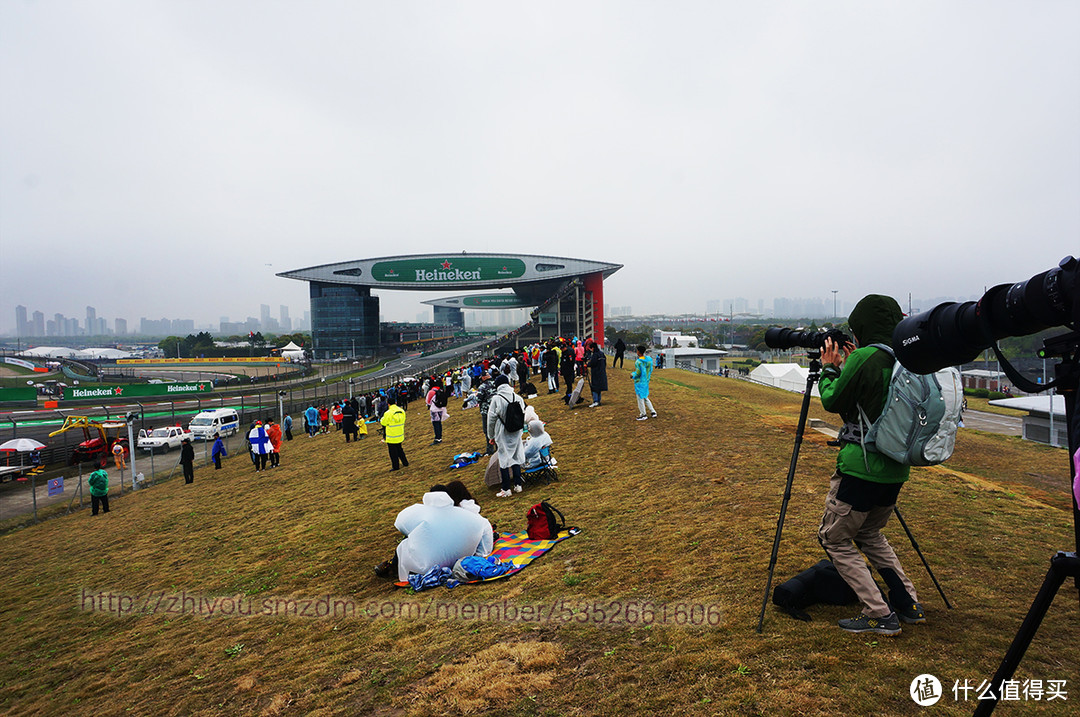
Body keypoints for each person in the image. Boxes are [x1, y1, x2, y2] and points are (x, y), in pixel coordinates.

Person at [817, 294, 922, 636]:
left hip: (861, 467)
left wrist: (831, 368)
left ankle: (878, 612)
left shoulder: (865, 356)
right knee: (869, 533)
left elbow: (832, 399)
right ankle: (909, 604)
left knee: (834, 538)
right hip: (896, 468)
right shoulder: (909, 357)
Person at [390, 488, 493, 582]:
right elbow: (485, 535)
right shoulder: (468, 515)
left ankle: (392, 567)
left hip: (424, 567)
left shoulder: (422, 513)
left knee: (406, 543)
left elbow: (400, 525)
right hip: (461, 560)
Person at [487, 375, 526, 498]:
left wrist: (490, 435)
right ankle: (518, 485)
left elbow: (491, 418)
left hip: (502, 431)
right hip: (516, 430)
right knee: (516, 456)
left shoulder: (497, 399)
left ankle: (506, 489)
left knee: (504, 459)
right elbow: (523, 414)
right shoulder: (518, 397)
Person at [380, 398, 409, 471]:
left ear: (388, 404)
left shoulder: (388, 413)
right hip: (400, 434)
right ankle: (405, 462)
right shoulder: (401, 411)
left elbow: (383, 422)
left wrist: (381, 419)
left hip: (391, 435)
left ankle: (396, 466)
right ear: (395, 403)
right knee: (399, 449)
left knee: (393, 453)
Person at [631, 345, 658, 420]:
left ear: (638, 352)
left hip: (639, 382)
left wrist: (632, 375)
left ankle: (643, 414)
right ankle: (653, 412)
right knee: (645, 396)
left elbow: (638, 373)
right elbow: (650, 369)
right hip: (646, 380)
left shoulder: (638, 362)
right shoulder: (649, 359)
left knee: (640, 398)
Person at [586, 340, 608, 407]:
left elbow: (592, 363)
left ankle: (595, 401)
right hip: (602, 372)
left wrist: (587, 364)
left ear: (593, 348)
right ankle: (598, 400)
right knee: (599, 388)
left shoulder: (595, 355)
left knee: (594, 387)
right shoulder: (601, 354)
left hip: (596, 373)